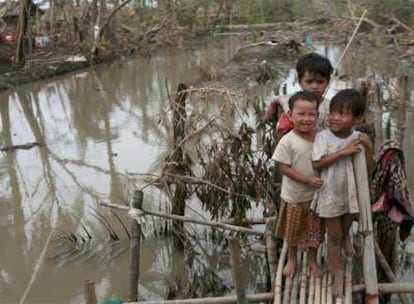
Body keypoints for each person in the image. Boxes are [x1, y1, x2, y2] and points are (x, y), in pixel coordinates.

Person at [311, 89, 374, 297]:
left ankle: (345, 238)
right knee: (334, 237)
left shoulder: (358, 137)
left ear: (357, 119)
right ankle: (337, 273)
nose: (334, 117)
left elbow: (367, 167)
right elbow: (317, 162)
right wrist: (342, 152)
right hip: (330, 194)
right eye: (332, 112)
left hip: (350, 194)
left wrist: (369, 146)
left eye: (342, 114)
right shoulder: (323, 137)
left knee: (345, 227)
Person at [272, 91, 324, 278]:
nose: (306, 118)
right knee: (292, 232)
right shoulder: (288, 141)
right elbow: (284, 168)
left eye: (311, 114)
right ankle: (292, 259)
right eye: (301, 114)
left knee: (314, 231)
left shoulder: (321, 138)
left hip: (315, 197)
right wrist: (307, 180)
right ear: (290, 116)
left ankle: (311, 259)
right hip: (294, 196)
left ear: (317, 116)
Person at [263, 52, 334, 137]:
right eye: (309, 82)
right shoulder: (290, 100)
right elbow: (276, 99)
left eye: (320, 82)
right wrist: (269, 114)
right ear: (300, 81)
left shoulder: (331, 107)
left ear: (327, 82)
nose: (315, 86)